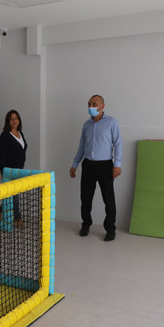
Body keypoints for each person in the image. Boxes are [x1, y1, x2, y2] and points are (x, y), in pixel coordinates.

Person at [70, 95, 122, 241]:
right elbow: (82, 146)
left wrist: (117, 164)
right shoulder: (86, 125)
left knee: (108, 199)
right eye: (89, 104)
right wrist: (74, 164)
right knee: (85, 198)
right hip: (88, 165)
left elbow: (118, 144)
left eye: (94, 104)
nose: (91, 107)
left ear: (102, 106)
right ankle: (86, 224)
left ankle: (110, 229)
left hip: (105, 165)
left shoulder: (111, 122)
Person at [0, 110, 27, 228]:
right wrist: (2, 171)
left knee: (12, 193)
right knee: (15, 194)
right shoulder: (4, 136)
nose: (14, 121)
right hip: (9, 171)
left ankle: (0, 210)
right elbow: (2, 155)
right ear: (8, 121)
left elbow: (22, 151)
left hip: (19, 170)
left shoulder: (21, 134)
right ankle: (17, 218)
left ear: (19, 120)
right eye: (11, 119)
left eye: (16, 118)